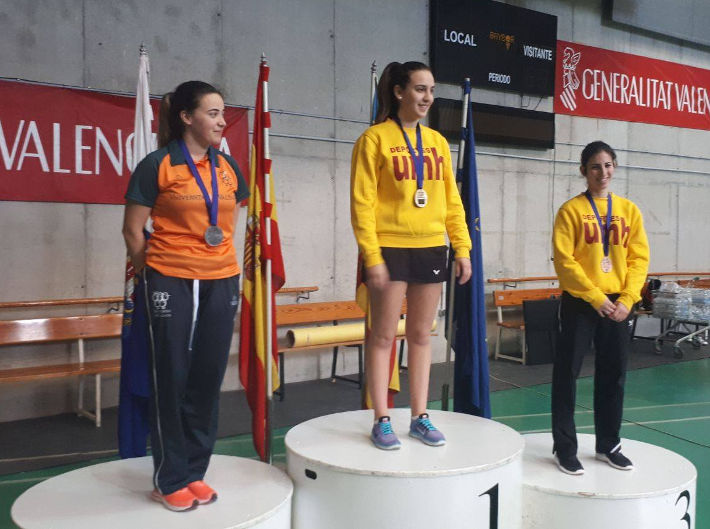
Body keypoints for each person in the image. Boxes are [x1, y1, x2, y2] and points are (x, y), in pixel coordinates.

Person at [122, 81, 248, 510]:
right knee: (170, 378)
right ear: (186, 117)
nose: (220, 121)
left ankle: (194, 471)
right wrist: (153, 274)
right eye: (212, 113)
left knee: (206, 379)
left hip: (222, 279)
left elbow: (232, 219)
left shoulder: (229, 168)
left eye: (222, 113)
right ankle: (168, 477)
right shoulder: (157, 164)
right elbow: (132, 230)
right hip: (170, 280)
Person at [350, 61, 472, 450]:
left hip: (431, 246)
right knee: (383, 334)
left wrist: (462, 247)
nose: (428, 98)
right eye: (420, 89)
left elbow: (452, 201)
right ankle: (382, 418)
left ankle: (420, 415)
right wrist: (372, 256)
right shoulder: (374, 140)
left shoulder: (436, 142)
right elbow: (362, 204)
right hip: (390, 247)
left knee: (421, 335)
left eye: (431, 90)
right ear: (400, 91)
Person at [551, 141, 649, 475]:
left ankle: (609, 445)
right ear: (584, 171)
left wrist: (627, 299)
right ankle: (564, 448)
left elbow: (639, 259)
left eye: (608, 165)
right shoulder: (571, 211)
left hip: (619, 305)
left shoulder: (629, 211)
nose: (602, 173)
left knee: (614, 375)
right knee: (567, 375)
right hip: (581, 303)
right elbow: (565, 263)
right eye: (595, 166)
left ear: (615, 168)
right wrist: (596, 298)